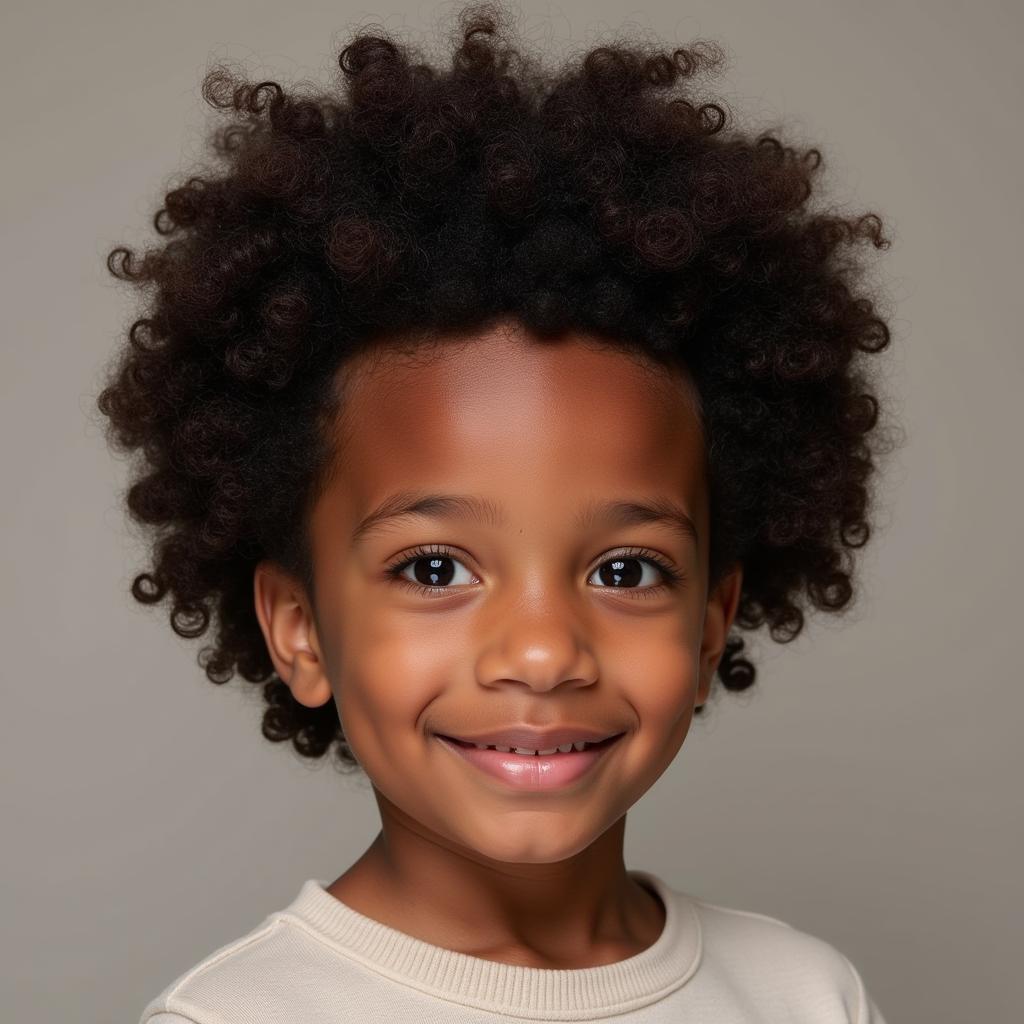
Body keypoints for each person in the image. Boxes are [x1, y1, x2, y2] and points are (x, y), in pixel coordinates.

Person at [98, 4, 896, 1021]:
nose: (540, 652)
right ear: (297, 627)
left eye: (625, 569)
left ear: (708, 625)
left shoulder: (804, 995)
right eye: (435, 568)